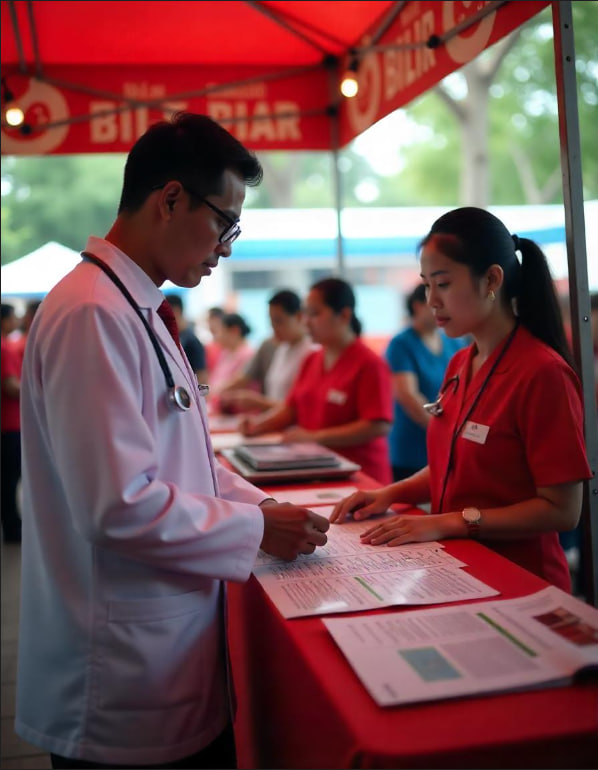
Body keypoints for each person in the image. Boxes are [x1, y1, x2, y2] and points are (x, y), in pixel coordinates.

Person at [15, 112, 329, 769]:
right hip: (122, 679)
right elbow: (116, 504)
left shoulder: (134, 306)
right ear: (171, 199)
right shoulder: (92, 314)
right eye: (225, 222)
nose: (228, 246)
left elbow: (183, 458)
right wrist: (255, 530)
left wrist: (263, 507)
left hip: (162, 655)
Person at [331, 207, 591, 593]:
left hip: (523, 585)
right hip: (458, 571)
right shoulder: (459, 363)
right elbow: (451, 464)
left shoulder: (542, 373)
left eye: (444, 283)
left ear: (491, 279)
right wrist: (388, 493)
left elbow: (563, 509)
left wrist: (451, 521)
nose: (431, 301)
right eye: (426, 285)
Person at [240, 277, 393, 484]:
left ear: (344, 315)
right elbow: (291, 409)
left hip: (360, 478)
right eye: (305, 314)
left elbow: (377, 425)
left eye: (315, 314)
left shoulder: (369, 363)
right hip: (318, 470)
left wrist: (315, 437)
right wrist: (257, 426)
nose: (306, 322)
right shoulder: (312, 359)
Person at [386, 283, 466, 481]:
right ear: (417, 306)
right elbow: (408, 396)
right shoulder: (401, 344)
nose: (442, 309)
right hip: (412, 447)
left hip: (450, 442)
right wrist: (445, 432)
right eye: (434, 304)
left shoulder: (454, 342)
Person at [219, 289, 314, 413]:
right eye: (271, 321)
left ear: (298, 317)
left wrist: (259, 402)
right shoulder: (282, 348)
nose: (274, 327)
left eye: (279, 321)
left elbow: (300, 407)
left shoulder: (310, 351)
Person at [1, 302, 22, 543]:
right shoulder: (5, 348)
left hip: (7, 423)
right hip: (10, 424)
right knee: (10, 478)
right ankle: (11, 528)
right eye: (12, 317)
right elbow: (10, 385)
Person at [206, 311, 254, 412]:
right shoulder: (225, 353)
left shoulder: (247, 354)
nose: (217, 336)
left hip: (239, 413)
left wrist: (211, 393)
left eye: (221, 331)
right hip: (221, 411)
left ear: (234, 331)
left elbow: (235, 384)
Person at [164, 292, 208, 383]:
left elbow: (202, 375)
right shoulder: (171, 336)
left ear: (176, 310)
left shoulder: (191, 340)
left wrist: (200, 396)